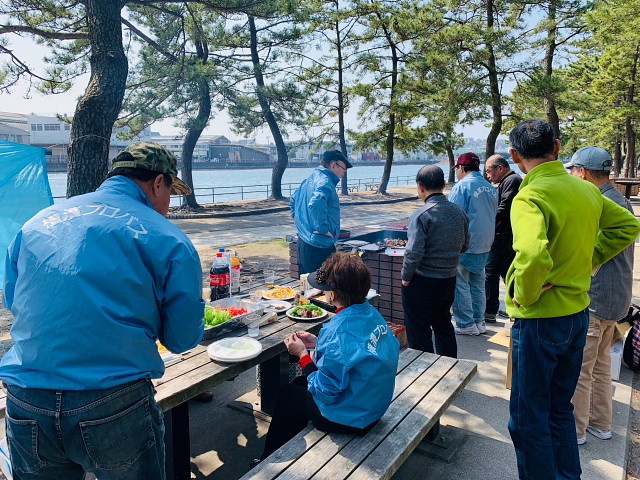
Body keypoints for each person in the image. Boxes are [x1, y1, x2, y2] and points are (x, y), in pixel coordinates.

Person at [0, 142, 205, 480]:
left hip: (26, 395)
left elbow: (14, 300)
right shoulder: (169, 238)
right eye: (171, 193)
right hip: (113, 399)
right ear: (158, 183)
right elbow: (181, 339)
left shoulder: (37, 222)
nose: (169, 205)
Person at [505, 120, 640, 480]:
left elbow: (533, 255)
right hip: (578, 313)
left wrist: (525, 294)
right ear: (557, 147)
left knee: (527, 418)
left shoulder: (531, 196)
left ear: (515, 156)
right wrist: (589, 259)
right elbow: (628, 226)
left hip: (540, 319)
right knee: (559, 410)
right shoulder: (587, 191)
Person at [258, 252, 399, 461]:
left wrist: (302, 355)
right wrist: (318, 344)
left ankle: (268, 459)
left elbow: (325, 393)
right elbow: (357, 352)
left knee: (289, 396)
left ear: (332, 294)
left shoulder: (337, 331)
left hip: (353, 417)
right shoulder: (371, 312)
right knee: (299, 383)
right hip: (373, 403)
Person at [566, 146, 635, 445]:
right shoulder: (621, 200)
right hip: (618, 298)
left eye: (572, 170)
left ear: (582, 172)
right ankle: (601, 423)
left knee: (580, 369)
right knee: (601, 364)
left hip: (596, 298)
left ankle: (576, 430)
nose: (571, 175)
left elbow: (587, 254)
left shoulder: (596, 204)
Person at [401, 166, 470, 358]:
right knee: (443, 324)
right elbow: (465, 245)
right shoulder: (459, 212)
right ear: (444, 184)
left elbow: (413, 253)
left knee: (419, 329)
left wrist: (406, 278)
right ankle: (449, 364)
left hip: (422, 281)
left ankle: (422, 367)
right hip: (448, 279)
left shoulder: (422, 215)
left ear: (420, 187)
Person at [448, 152, 498, 335]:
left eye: (457, 169)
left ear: (462, 168)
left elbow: (453, 216)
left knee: (460, 284)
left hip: (467, 243)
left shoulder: (462, 186)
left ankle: (465, 324)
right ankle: (479, 321)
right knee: (477, 283)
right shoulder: (490, 187)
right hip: (486, 242)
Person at [290, 150, 353, 274]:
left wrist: (302, 223)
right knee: (322, 282)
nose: (343, 173)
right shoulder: (325, 181)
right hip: (319, 246)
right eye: (344, 169)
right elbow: (316, 202)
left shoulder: (308, 180)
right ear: (333, 165)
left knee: (307, 282)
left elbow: (293, 202)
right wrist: (323, 229)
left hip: (303, 242)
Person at [484, 154, 523, 322]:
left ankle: (489, 311)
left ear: (499, 168)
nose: (488, 176)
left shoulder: (512, 181)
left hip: (503, 235)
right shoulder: (509, 181)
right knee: (507, 272)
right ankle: (516, 306)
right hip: (506, 235)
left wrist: (488, 220)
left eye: (489, 171)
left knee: (491, 272)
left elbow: (504, 208)